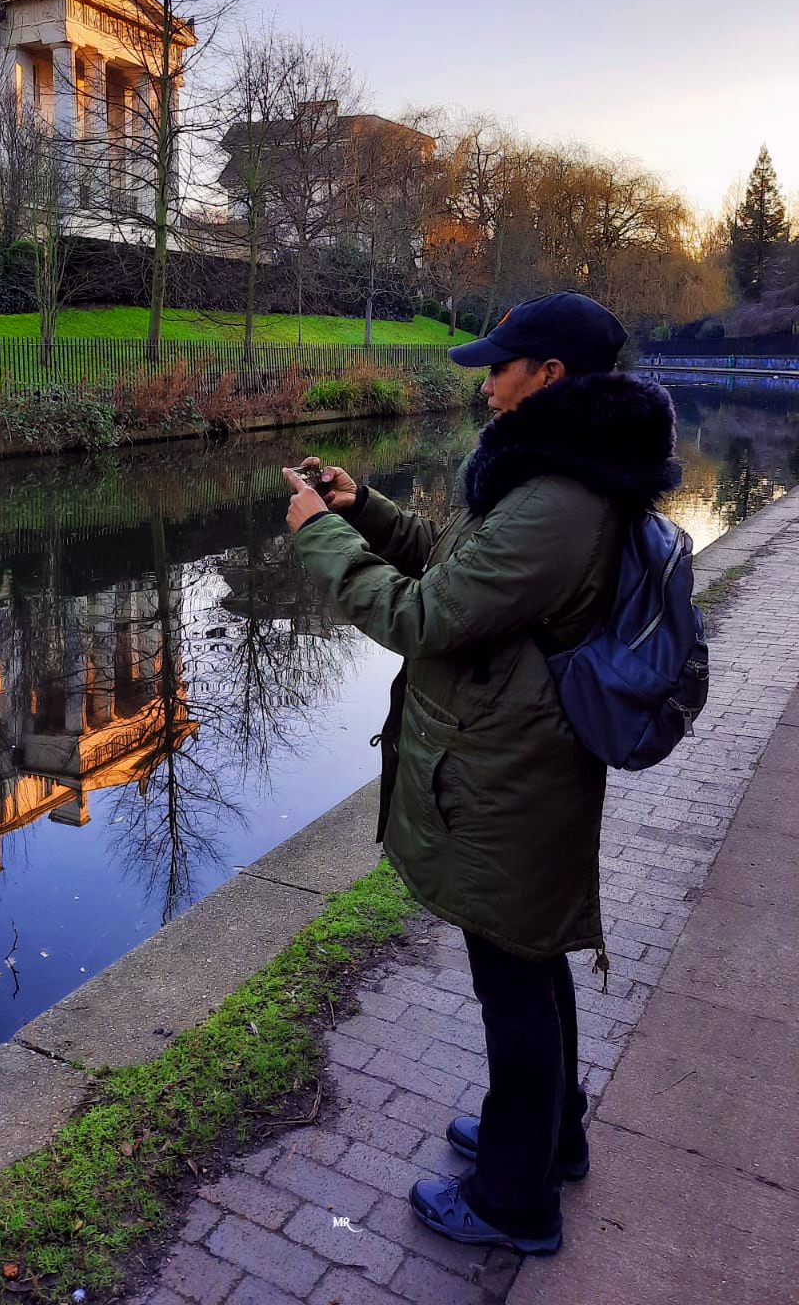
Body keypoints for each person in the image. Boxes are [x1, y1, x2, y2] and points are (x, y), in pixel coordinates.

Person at [283, 292, 681, 1256]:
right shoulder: (555, 474)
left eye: (501, 367)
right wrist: (363, 511)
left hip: (513, 774)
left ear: (550, 377)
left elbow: (422, 620)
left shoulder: (557, 500)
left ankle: (515, 1201)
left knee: (513, 978)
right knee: (529, 965)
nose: (486, 383)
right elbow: (457, 578)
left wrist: (316, 536)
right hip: (517, 760)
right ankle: (550, 1137)